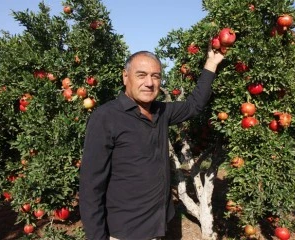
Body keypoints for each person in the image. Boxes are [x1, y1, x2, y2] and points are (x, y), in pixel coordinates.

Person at [79, 46, 224, 240]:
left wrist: (211, 63)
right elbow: (91, 186)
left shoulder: (161, 111)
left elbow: (194, 106)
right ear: (125, 77)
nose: (149, 83)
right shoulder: (106, 118)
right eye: (141, 75)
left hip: (158, 226)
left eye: (155, 76)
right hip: (125, 232)